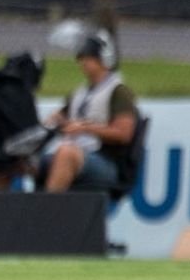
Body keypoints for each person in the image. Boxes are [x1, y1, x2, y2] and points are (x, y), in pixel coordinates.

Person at [38, 31, 140, 193]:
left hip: (105, 161)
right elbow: (59, 118)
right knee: (26, 161)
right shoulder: (80, 93)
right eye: (81, 58)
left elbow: (123, 134)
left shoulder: (119, 92)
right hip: (73, 150)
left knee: (66, 154)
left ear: (104, 59)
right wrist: (57, 122)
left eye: (89, 58)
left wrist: (86, 128)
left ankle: (49, 209)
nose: (83, 62)